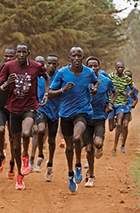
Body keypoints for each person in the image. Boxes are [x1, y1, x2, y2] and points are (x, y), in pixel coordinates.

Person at [0, 42, 49, 190]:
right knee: (15, 146)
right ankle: (19, 176)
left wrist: (46, 93)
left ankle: (26, 157)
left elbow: (46, 76)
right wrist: (6, 85)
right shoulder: (8, 66)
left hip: (30, 107)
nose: (21, 55)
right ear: (16, 53)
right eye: (19, 52)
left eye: (24, 52)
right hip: (13, 109)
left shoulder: (36, 66)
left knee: (26, 133)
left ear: (28, 54)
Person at [48, 47, 98, 193]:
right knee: (69, 147)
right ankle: (70, 173)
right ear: (70, 57)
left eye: (79, 56)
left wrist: (94, 89)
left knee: (77, 137)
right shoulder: (62, 73)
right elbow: (50, 93)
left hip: (82, 111)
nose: (76, 58)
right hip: (65, 114)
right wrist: (62, 90)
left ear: (82, 57)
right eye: (74, 56)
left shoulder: (88, 72)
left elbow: (96, 82)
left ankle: (78, 165)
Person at [84, 56, 117, 187]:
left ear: (99, 67)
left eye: (95, 66)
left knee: (97, 143)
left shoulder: (105, 80)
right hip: (85, 117)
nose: (93, 68)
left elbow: (114, 92)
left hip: (99, 117)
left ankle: (100, 146)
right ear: (86, 67)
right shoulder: (82, 80)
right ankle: (91, 175)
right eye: (90, 66)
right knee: (89, 148)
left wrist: (110, 104)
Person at [0, 46, 16, 178]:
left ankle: (12, 163)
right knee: (0, 130)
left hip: (14, 107)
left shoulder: (19, 70)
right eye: (6, 56)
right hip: (0, 106)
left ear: (15, 57)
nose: (8, 58)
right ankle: (1, 155)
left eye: (11, 56)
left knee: (12, 138)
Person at [37, 54, 61, 181]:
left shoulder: (60, 76)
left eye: (54, 64)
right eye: (49, 63)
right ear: (45, 63)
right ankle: (40, 155)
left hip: (55, 111)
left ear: (57, 65)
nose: (51, 66)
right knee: (40, 130)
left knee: (51, 140)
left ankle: (50, 164)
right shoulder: (39, 75)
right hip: (41, 108)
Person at [108, 62, 135, 156]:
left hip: (122, 105)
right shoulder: (111, 76)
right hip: (111, 103)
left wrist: (129, 94)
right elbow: (106, 83)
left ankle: (114, 148)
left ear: (124, 68)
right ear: (115, 68)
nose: (120, 69)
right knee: (111, 128)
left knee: (121, 124)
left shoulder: (127, 79)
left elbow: (133, 89)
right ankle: (115, 124)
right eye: (118, 67)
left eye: (121, 67)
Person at [30, 55, 46, 170]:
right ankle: (30, 157)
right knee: (32, 132)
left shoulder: (46, 78)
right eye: (37, 63)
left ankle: (35, 156)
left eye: (42, 63)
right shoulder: (29, 76)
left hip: (43, 110)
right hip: (29, 108)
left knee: (38, 131)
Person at [120, 70, 138, 154]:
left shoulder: (133, 87)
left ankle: (123, 144)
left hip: (127, 108)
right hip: (118, 108)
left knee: (125, 124)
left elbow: (136, 97)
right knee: (118, 125)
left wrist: (133, 103)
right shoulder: (118, 84)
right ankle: (120, 134)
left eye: (129, 76)